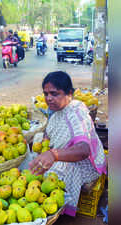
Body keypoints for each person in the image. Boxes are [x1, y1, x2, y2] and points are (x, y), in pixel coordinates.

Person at [29, 71, 107, 217]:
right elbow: (51, 131)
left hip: (85, 164)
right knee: (35, 151)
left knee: (56, 172)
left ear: (69, 93)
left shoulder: (77, 113)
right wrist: (45, 142)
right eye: (46, 94)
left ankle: (58, 210)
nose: (48, 98)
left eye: (54, 93)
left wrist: (53, 154)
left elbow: (84, 150)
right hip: (65, 153)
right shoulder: (57, 110)